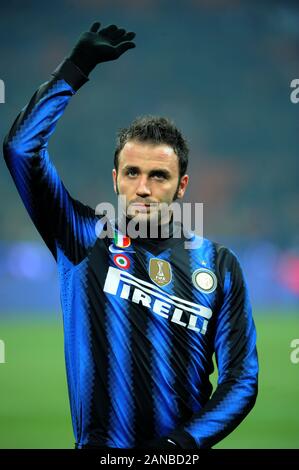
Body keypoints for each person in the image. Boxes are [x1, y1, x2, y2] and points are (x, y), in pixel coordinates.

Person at [3, 21, 258, 450]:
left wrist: (180, 446)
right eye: (133, 173)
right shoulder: (82, 237)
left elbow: (241, 380)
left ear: (182, 186)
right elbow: (20, 150)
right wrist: (75, 69)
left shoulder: (219, 266)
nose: (143, 187)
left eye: (159, 176)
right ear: (116, 179)